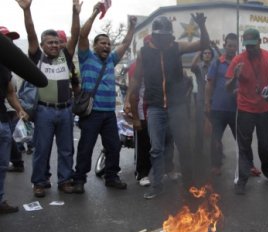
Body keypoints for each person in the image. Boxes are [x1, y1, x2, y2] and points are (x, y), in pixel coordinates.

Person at [130, 14, 210, 199]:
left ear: (170, 36)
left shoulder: (177, 47)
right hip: (155, 108)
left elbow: (203, 44)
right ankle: (157, 186)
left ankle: (189, 187)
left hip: (177, 106)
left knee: (184, 146)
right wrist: (130, 102)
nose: (163, 39)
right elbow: (136, 79)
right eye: (160, 36)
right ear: (154, 35)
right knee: (156, 149)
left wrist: (202, 26)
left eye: (166, 35)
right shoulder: (144, 53)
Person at [17, 0, 81, 197]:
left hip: (65, 110)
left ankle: (64, 180)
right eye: (50, 42)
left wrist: (75, 13)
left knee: (66, 149)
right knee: (41, 150)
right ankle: (39, 182)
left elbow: (76, 35)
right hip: (44, 111)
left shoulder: (66, 57)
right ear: (43, 46)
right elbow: (31, 34)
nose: (54, 45)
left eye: (56, 42)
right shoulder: (37, 57)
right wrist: (27, 10)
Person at [73, 3, 136, 193]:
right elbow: (82, 36)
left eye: (108, 44)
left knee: (113, 146)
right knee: (86, 147)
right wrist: (94, 13)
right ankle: (79, 180)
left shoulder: (111, 60)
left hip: (109, 114)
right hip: (91, 113)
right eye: (103, 43)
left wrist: (132, 27)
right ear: (94, 45)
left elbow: (125, 44)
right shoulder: (86, 57)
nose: (107, 46)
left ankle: (111, 177)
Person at [225, 28, 268, 195]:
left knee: (265, 145)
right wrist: (235, 77)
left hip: (265, 109)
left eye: (253, 45)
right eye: (247, 46)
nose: (250, 49)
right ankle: (242, 178)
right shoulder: (238, 60)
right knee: (244, 146)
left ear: (259, 42)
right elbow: (227, 89)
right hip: (245, 109)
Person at [125, 36, 180, 187]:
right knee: (144, 144)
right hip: (144, 110)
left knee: (168, 141)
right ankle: (142, 173)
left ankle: (169, 168)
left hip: (163, 109)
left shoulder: (162, 62)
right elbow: (133, 90)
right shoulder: (137, 66)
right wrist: (135, 116)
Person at [0, 26, 29, 214]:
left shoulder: (5, 67)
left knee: (2, 164)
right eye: (5, 39)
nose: (9, 43)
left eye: (11, 40)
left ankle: (0, 200)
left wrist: (19, 109)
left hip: (2, 120)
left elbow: (10, 92)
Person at [205, 33, 238, 176]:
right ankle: (216, 165)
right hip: (218, 109)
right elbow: (209, 84)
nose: (232, 48)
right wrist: (207, 103)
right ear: (224, 46)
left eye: (234, 46)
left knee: (242, 140)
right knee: (215, 139)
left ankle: (246, 166)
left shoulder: (240, 63)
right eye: (229, 45)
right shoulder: (217, 63)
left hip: (237, 109)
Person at [191, 47, 214, 153]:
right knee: (200, 125)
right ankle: (198, 149)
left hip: (213, 100)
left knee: (216, 126)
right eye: (205, 53)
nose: (207, 55)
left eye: (209, 53)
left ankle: (216, 150)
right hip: (201, 100)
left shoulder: (215, 66)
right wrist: (199, 50)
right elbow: (192, 66)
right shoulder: (199, 67)